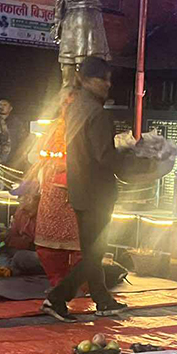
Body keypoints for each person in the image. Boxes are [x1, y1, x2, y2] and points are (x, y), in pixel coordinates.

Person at [38, 57, 133, 323]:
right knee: (94, 253)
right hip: (98, 192)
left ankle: (102, 299)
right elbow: (105, 157)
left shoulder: (75, 107)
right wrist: (131, 159)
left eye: (109, 79)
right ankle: (57, 298)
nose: (107, 84)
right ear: (87, 79)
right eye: (103, 78)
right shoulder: (98, 114)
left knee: (93, 250)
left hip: (79, 188)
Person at [29, 87, 82, 287]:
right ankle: (58, 283)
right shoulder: (52, 129)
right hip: (52, 192)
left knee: (81, 246)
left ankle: (76, 284)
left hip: (79, 192)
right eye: (65, 103)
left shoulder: (87, 127)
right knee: (48, 246)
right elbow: (33, 155)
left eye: (72, 103)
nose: (67, 107)